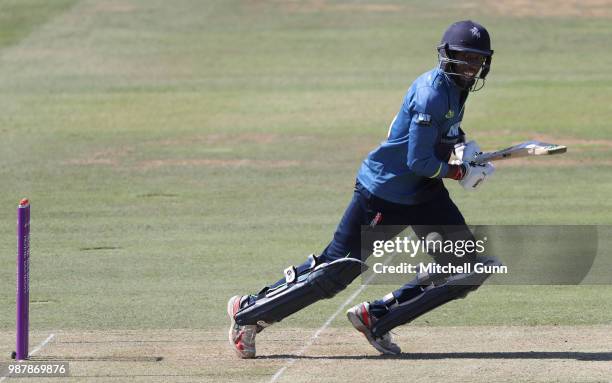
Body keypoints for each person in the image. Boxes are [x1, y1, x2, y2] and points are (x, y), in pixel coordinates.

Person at [227, 20, 500, 358]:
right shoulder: (432, 91)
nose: (470, 67)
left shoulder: (458, 88)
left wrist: (465, 150)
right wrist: (458, 172)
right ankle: (249, 313)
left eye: (476, 60)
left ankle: (378, 318)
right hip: (384, 192)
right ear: (446, 55)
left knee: (467, 267)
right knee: (338, 270)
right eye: (464, 58)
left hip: (424, 194)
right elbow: (417, 161)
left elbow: (442, 136)